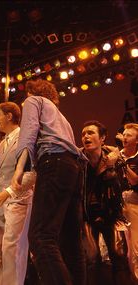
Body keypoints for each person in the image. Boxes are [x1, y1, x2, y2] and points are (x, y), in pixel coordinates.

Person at [11, 79, 86, 285]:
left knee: (40, 237)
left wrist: (19, 167)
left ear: (33, 92)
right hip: (75, 168)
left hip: (54, 162)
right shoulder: (62, 117)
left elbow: (28, 132)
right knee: (71, 242)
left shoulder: (34, 102)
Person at [0, 102, 36, 285]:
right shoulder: (2, 143)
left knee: (12, 250)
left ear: (9, 116)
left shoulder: (26, 138)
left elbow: (31, 174)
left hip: (17, 200)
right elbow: (3, 172)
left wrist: (8, 191)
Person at [81, 120, 133, 285]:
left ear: (102, 138)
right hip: (87, 214)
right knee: (92, 256)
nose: (86, 136)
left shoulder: (114, 157)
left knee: (118, 254)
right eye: (83, 134)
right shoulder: (78, 160)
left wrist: (117, 161)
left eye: (90, 133)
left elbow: (125, 183)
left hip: (110, 214)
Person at [120, 123, 138, 280]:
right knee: (117, 246)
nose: (124, 137)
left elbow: (135, 181)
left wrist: (122, 164)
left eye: (129, 135)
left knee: (135, 247)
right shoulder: (114, 156)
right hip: (116, 203)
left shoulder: (136, 158)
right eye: (124, 134)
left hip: (134, 203)